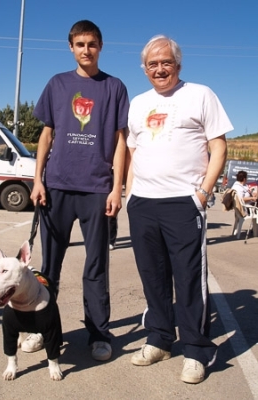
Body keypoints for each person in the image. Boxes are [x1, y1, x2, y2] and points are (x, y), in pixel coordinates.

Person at [125, 35, 233, 384]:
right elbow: (132, 151)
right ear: (144, 69)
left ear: (178, 65)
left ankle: (197, 350)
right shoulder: (138, 103)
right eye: (152, 64)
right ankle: (159, 338)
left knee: (188, 280)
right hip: (143, 202)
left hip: (184, 202)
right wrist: (129, 194)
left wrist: (202, 193)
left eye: (166, 62)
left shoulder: (200, 94)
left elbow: (219, 147)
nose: (160, 69)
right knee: (152, 277)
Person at [25, 20, 129, 362]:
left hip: (97, 189)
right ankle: (42, 330)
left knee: (96, 266)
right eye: (80, 44)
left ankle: (99, 334)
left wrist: (117, 188)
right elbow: (46, 134)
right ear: (71, 47)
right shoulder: (57, 84)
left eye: (92, 44)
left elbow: (120, 142)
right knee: (47, 267)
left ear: (101, 47)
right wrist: (38, 179)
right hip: (56, 187)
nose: (86, 50)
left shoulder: (114, 87)